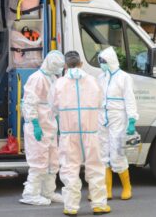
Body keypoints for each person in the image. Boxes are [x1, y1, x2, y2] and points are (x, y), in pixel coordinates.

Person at [49, 51, 111, 216]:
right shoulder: (93, 81)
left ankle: (71, 207)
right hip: (91, 132)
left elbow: (53, 107)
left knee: (69, 168)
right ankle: (98, 205)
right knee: (96, 167)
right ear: (81, 63)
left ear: (65, 65)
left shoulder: (59, 83)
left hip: (69, 134)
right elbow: (101, 102)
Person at [19, 50, 65, 206]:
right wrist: (35, 123)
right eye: (57, 66)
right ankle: (30, 194)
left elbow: (54, 103)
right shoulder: (36, 79)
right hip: (38, 127)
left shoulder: (52, 78)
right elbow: (29, 103)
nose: (59, 69)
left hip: (50, 127)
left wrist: (58, 120)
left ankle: (48, 191)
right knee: (39, 162)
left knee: (53, 162)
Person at [97, 46, 139, 200]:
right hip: (102, 118)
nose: (102, 64)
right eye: (101, 61)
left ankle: (127, 187)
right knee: (103, 154)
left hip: (118, 118)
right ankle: (106, 190)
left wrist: (132, 120)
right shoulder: (101, 77)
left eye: (104, 61)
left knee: (117, 153)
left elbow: (130, 99)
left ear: (111, 61)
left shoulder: (124, 77)